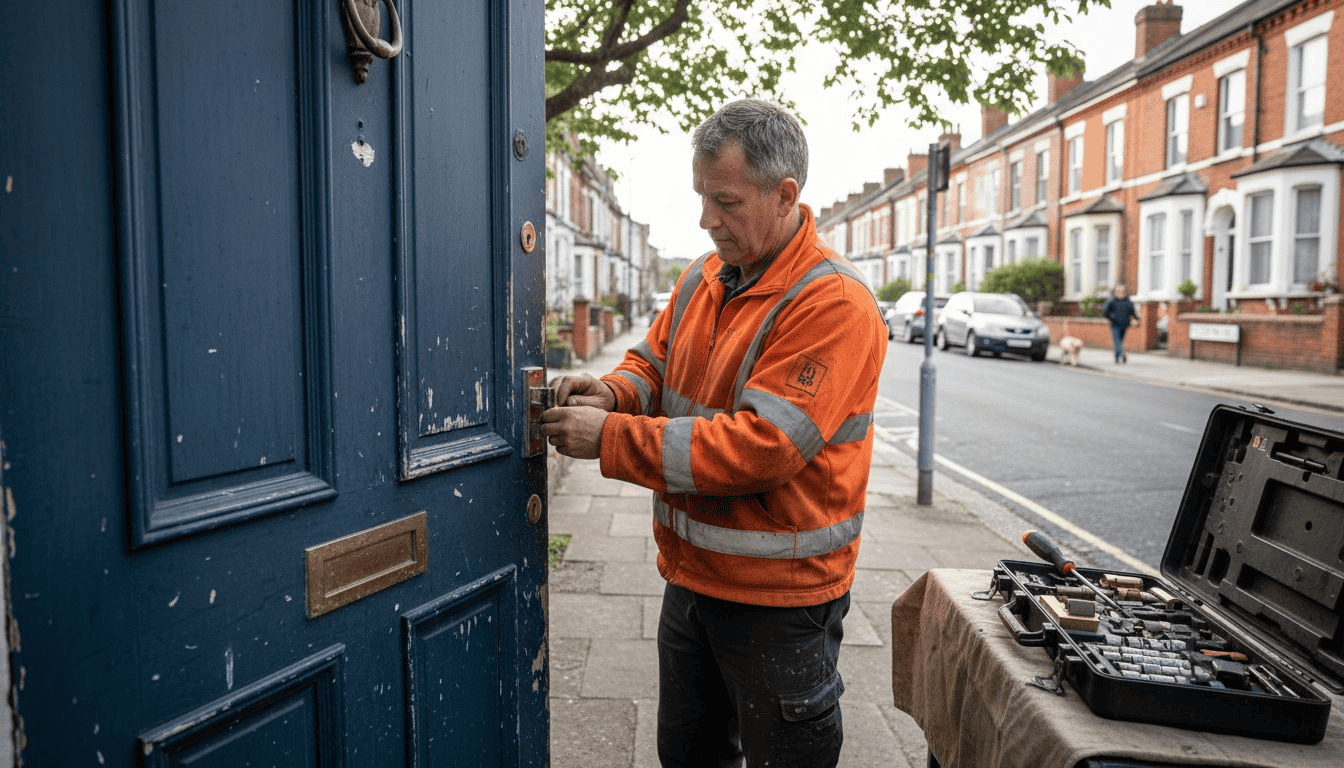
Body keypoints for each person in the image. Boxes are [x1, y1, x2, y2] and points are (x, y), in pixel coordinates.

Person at [539, 99, 887, 768]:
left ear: (785, 195)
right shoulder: (704, 276)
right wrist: (613, 391)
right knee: (690, 755)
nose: (707, 219)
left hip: (781, 605)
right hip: (693, 582)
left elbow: (762, 448)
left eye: (724, 200)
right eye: (702, 197)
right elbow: (654, 362)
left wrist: (609, 437)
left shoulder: (832, 303)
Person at [1102, 283, 1140, 363]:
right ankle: (1122, 354)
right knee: (1117, 340)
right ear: (1116, 292)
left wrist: (1136, 319)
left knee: (1120, 340)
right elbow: (1105, 312)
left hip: (1125, 324)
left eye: (1122, 291)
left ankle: (1117, 356)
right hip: (1115, 324)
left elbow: (1132, 312)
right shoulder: (1112, 301)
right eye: (1119, 291)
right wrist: (1112, 319)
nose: (1121, 293)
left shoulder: (1128, 301)